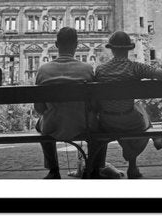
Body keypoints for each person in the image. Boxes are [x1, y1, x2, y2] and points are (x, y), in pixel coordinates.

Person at [95, 31, 162, 179]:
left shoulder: (100, 69)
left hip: (107, 121)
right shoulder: (135, 68)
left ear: (111, 49)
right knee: (137, 111)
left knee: (135, 110)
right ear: (129, 49)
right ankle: (135, 164)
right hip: (129, 120)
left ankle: (136, 162)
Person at [34, 27, 107, 179]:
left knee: (39, 125)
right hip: (84, 124)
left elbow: (39, 108)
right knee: (102, 129)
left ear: (56, 44)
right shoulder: (86, 69)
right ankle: (94, 169)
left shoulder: (43, 70)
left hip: (53, 125)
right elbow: (94, 105)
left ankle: (53, 170)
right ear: (76, 45)